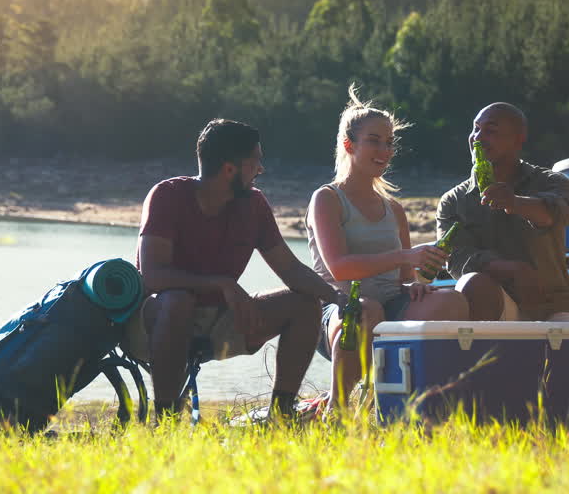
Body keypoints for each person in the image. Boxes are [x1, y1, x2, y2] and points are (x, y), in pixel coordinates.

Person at [133, 119, 341, 422]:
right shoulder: (167, 196)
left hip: (221, 318)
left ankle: (281, 417)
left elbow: (290, 268)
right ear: (230, 169)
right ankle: (165, 419)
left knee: (303, 304)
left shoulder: (254, 205)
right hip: (159, 319)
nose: (261, 170)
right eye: (255, 162)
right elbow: (152, 277)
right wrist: (222, 284)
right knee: (178, 300)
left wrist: (336, 297)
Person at [308, 87, 469, 405]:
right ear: (348, 144)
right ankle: (337, 409)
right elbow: (339, 267)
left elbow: (404, 277)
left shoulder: (394, 208)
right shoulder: (327, 198)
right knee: (367, 308)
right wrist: (405, 255)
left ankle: (428, 402)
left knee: (453, 302)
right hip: (339, 308)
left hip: (391, 305)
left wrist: (417, 284)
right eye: (374, 140)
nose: (384, 149)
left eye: (389, 142)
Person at [437, 103, 569, 389]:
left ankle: (558, 417)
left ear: (518, 140)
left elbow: (559, 213)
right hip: (497, 305)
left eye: (490, 131)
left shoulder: (552, 182)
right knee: (472, 282)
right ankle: (486, 398)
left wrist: (515, 203)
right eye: (475, 129)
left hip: (551, 301)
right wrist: (513, 269)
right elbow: (458, 259)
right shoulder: (454, 201)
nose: (478, 137)